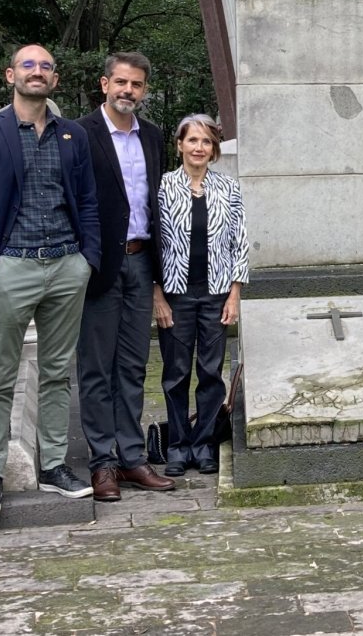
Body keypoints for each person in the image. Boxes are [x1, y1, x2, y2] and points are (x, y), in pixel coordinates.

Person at [0, 44, 101, 517]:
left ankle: (55, 466)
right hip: (11, 267)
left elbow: (88, 202)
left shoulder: (73, 136)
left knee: (58, 374)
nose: (37, 72)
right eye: (28, 65)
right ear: (10, 75)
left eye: (45, 67)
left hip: (65, 267)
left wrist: (87, 261)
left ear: (54, 80)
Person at [76, 52, 174, 501]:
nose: (127, 91)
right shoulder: (79, 133)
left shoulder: (152, 137)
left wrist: (156, 275)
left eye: (136, 85)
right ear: (104, 84)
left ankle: (132, 457)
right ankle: (103, 464)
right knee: (96, 367)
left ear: (144, 90)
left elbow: (153, 205)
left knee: (133, 364)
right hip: (98, 265)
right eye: (120, 82)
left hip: (140, 260)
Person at [155, 114, 249, 476]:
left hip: (216, 292)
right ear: (179, 144)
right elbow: (154, 243)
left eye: (206, 141)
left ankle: (204, 443)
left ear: (214, 149)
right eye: (192, 140)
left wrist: (234, 294)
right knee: (176, 373)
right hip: (176, 294)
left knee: (211, 371)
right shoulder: (163, 187)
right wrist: (157, 295)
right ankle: (178, 445)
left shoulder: (228, 188)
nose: (199, 147)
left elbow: (239, 240)